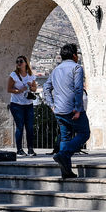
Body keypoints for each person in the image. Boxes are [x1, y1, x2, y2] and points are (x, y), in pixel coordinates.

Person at [43, 43, 90, 179]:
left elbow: (46, 87)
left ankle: (66, 171)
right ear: (74, 55)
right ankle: (63, 154)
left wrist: (51, 105)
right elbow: (78, 89)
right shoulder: (77, 68)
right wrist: (78, 108)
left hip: (59, 110)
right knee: (84, 133)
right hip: (72, 109)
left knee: (65, 137)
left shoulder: (55, 70)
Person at [7, 54, 37, 157]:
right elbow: (9, 89)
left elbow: (34, 89)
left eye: (21, 61)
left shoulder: (30, 75)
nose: (19, 63)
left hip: (28, 104)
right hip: (17, 104)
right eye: (17, 62)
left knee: (30, 127)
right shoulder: (14, 75)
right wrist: (19, 90)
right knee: (19, 126)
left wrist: (30, 87)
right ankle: (19, 149)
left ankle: (30, 149)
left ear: (25, 63)